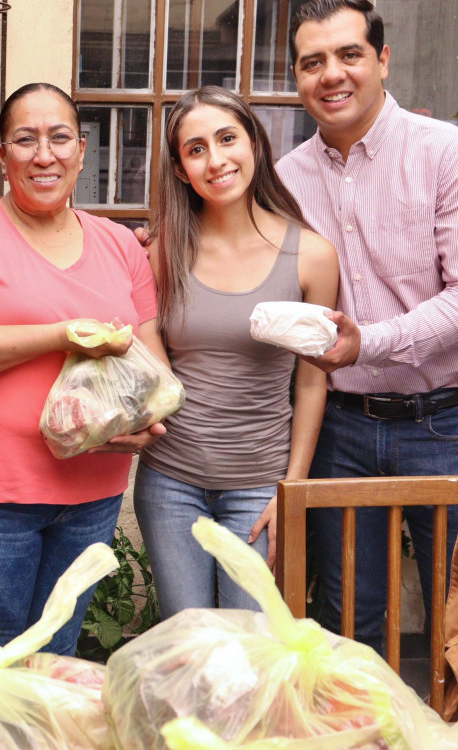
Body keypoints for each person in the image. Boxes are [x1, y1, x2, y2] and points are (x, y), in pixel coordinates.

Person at [276, 0, 458, 654]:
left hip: (451, 424)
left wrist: (369, 343)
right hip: (341, 429)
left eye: (350, 54)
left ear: (383, 59)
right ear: (297, 78)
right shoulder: (285, 181)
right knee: (350, 621)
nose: (332, 74)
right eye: (312, 62)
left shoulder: (452, 157)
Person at [0, 83, 167, 659]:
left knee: (54, 660)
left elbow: (151, 365)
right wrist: (62, 335)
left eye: (58, 138)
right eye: (25, 140)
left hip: (90, 493)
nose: (43, 155)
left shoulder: (120, 245)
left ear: (81, 149)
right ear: (3, 156)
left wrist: (147, 420)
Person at [135, 86, 339, 618]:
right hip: (170, 483)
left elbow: (313, 381)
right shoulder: (161, 252)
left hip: (259, 485)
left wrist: (291, 488)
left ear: (255, 145)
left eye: (228, 139)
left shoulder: (311, 256)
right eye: (196, 148)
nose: (216, 159)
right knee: (189, 651)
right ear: (180, 169)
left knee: (248, 658)